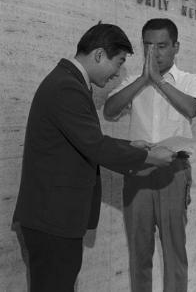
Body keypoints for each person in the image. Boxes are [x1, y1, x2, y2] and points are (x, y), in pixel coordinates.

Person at [12, 23, 176, 292]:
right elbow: (95, 146)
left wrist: (132, 145)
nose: (116, 74)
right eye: (119, 62)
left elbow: (86, 141)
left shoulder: (68, 82)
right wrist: (147, 158)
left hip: (53, 217)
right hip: (52, 219)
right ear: (99, 55)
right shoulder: (67, 87)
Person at [103, 18, 196, 292]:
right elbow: (110, 110)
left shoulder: (189, 80)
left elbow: (192, 108)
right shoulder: (132, 82)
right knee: (139, 252)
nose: (155, 52)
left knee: (174, 251)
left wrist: (158, 81)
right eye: (148, 45)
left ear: (176, 47)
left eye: (161, 46)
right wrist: (143, 81)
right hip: (138, 171)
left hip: (175, 170)